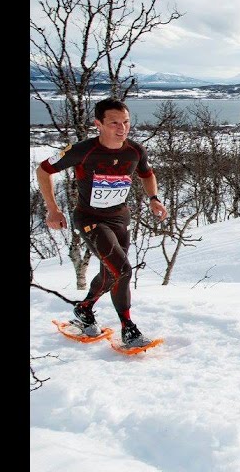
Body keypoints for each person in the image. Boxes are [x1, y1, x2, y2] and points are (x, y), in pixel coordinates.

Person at [36, 98, 168, 348]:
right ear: (98, 124)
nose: (122, 128)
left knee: (111, 274)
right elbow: (43, 171)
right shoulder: (82, 150)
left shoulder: (135, 150)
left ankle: (84, 310)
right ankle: (129, 329)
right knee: (124, 271)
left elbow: (147, 174)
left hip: (120, 218)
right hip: (90, 219)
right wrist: (52, 209)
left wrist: (154, 199)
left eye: (126, 122)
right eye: (114, 123)